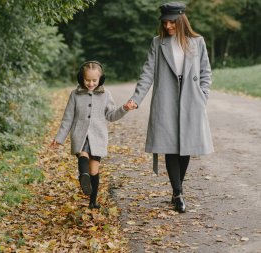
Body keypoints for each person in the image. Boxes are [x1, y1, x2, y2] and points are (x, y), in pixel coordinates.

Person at [126, 2, 214, 213]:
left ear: (181, 20)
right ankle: (178, 193)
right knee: (169, 145)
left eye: (171, 22)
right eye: (165, 22)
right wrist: (136, 98)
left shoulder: (197, 41)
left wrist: (203, 96)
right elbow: (147, 72)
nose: (168, 26)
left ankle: (177, 190)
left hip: (191, 99)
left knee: (185, 146)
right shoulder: (158, 43)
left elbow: (205, 72)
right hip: (166, 99)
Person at [51, 61, 135, 209]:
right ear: (81, 78)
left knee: (94, 170)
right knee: (83, 155)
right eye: (87, 80)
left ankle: (93, 201)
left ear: (100, 79)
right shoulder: (75, 95)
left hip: (97, 137)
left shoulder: (105, 94)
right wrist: (59, 138)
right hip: (80, 134)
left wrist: (124, 108)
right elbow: (68, 118)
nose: (90, 83)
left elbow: (111, 115)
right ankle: (83, 176)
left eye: (94, 80)